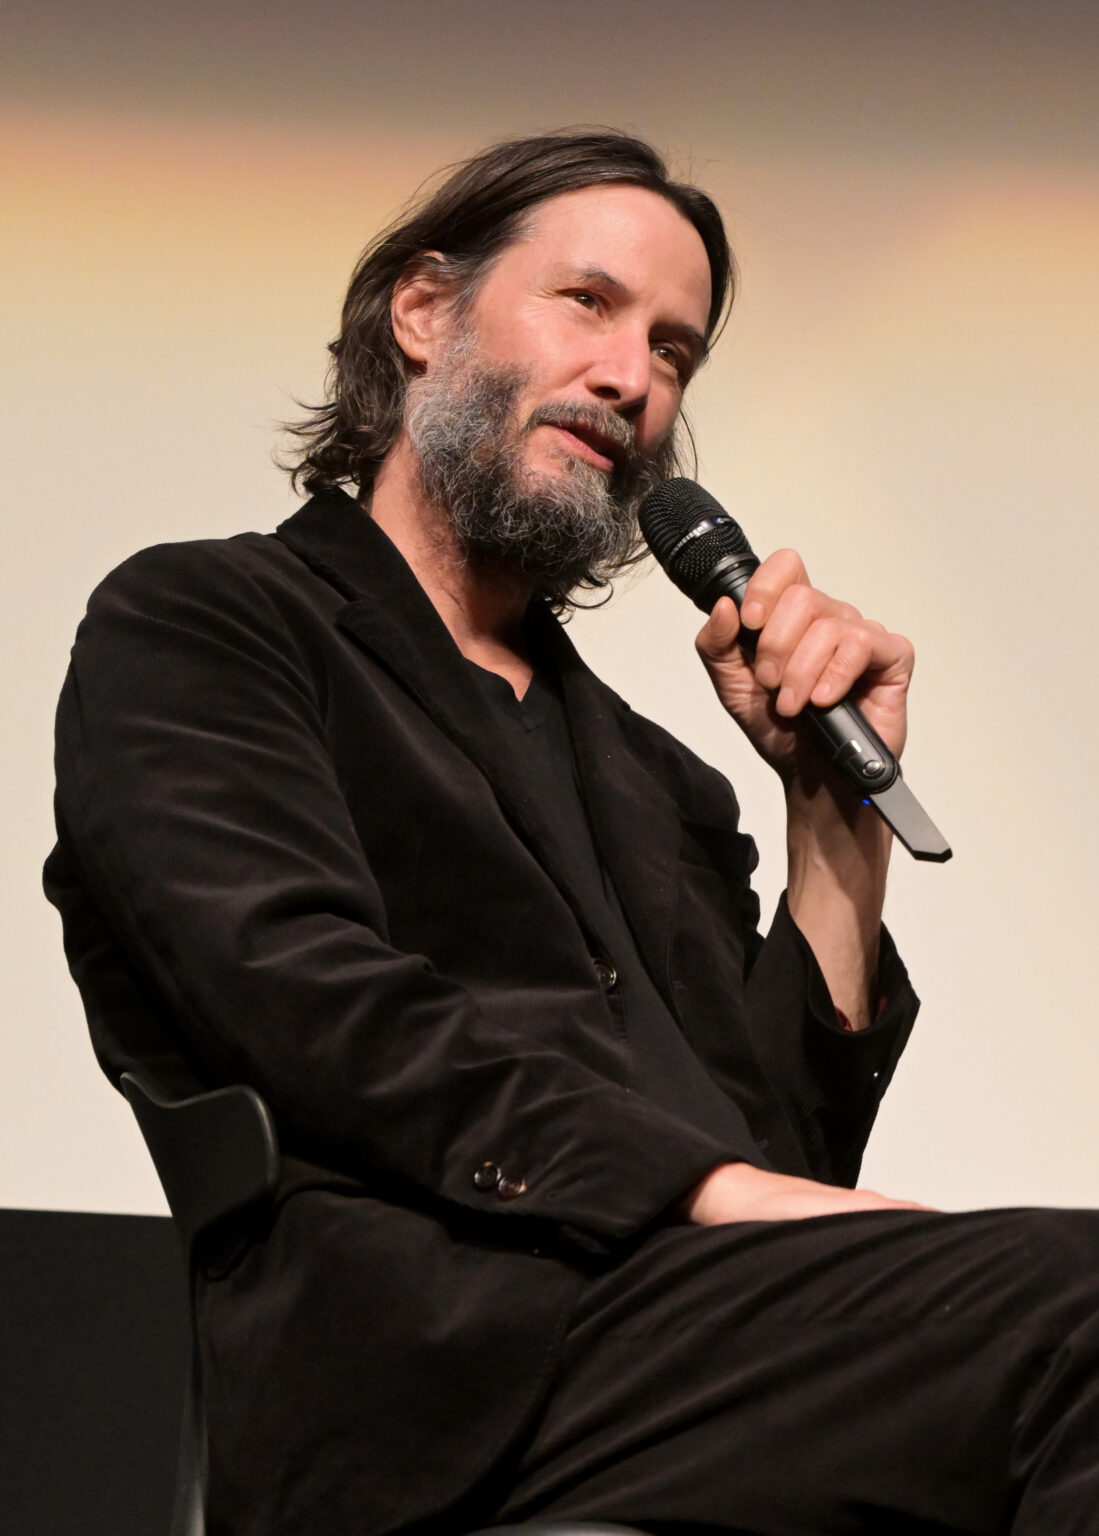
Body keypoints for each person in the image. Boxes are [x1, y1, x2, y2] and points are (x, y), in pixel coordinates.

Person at [45, 129, 1099, 1536]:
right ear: (423, 313)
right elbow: (301, 999)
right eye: (588, 305)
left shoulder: (664, 784)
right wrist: (706, 1189)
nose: (630, 378)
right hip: (435, 1368)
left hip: (686, 1351)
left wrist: (832, 824)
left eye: (675, 351)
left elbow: (785, 1174)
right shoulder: (210, 625)